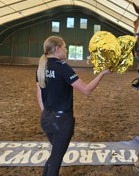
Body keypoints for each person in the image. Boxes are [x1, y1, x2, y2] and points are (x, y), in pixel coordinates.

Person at [36, 35, 111, 176]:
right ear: (57, 49)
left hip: (46, 120)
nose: (66, 50)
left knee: (55, 155)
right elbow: (86, 90)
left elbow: (39, 94)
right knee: (56, 161)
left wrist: (47, 115)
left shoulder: (41, 67)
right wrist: (102, 73)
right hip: (62, 122)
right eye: (65, 47)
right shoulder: (63, 68)